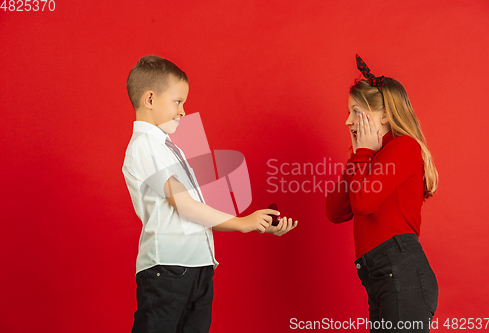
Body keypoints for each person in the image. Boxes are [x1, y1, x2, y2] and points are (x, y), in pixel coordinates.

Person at [123, 55, 298, 333]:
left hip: (197, 266)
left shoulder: (171, 147)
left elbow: (198, 209)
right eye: (177, 101)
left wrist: (255, 223)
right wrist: (243, 223)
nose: (183, 111)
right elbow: (184, 205)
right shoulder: (146, 144)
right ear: (150, 99)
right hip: (168, 269)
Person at [326, 55, 439, 332]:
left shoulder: (403, 148)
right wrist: (358, 153)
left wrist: (363, 153)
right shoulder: (369, 158)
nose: (347, 121)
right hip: (380, 277)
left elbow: (363, 204)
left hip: (401, 272)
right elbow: (336, 210)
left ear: (385, 115)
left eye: (355, 111)